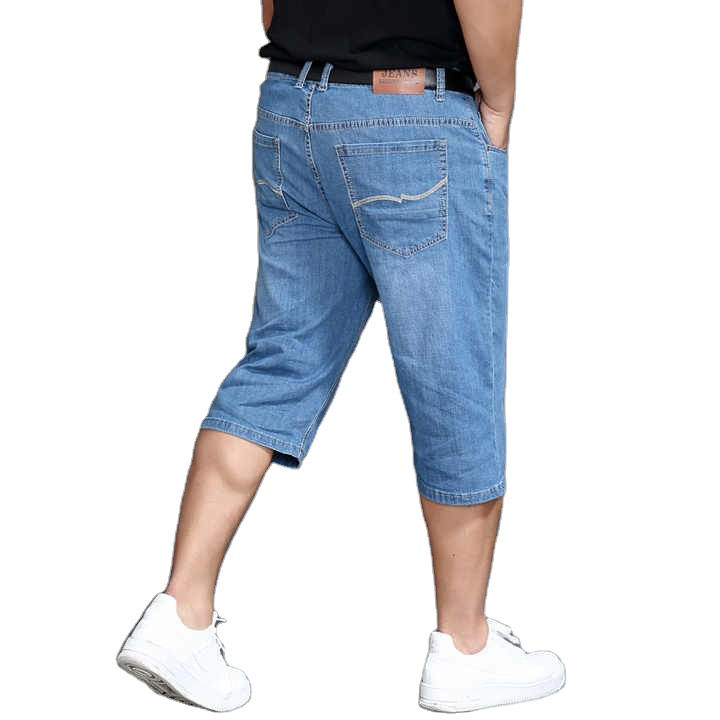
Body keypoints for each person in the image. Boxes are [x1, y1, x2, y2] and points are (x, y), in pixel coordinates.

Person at [116, 0, 565, 712]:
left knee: (281, 359)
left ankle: (180, 614)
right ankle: (465, 647)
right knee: (454, 378)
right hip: (411, 114)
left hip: (293, 107)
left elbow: (272, 8)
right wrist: (501, 102)